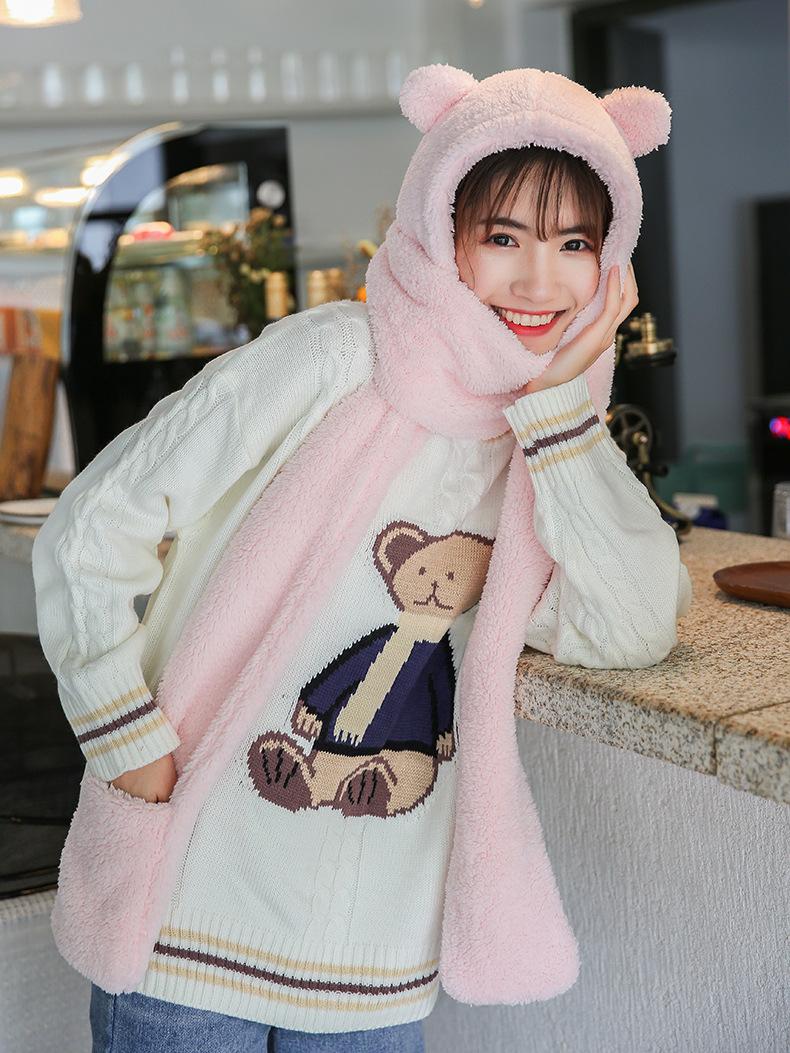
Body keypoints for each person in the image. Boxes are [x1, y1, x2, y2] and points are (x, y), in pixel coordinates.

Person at [31, 65, 691, 1052]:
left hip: (372, 965)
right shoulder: (332, 359)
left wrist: (559, 409)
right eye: (502, 237)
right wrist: (124, 737)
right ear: (440, 227)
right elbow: (94, 524)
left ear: (612, 262)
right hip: (190, 913)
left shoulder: (548, 442)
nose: (539, 280)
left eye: (573, 245)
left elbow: (633, 628)